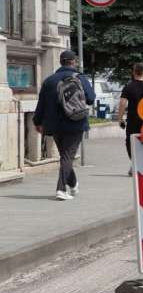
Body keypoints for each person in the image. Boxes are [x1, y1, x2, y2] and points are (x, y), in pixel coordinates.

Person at [32, 50, 96, 200]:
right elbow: (91, 99)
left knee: (65, 156)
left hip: (54, 125)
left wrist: (37, 122)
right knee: (67, 156)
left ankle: (73, 184)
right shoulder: (79, 78)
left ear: (61, 62)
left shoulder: (49, 80)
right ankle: (61, 189)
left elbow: (41, 104)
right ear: (73, 62)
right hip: (75, 122)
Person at [117, 62, 143, 175]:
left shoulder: (129, 86)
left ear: (133, 72)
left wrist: (120, 119)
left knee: (130, 142)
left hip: (133, 120)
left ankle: (135, 163)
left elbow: (122, 103)